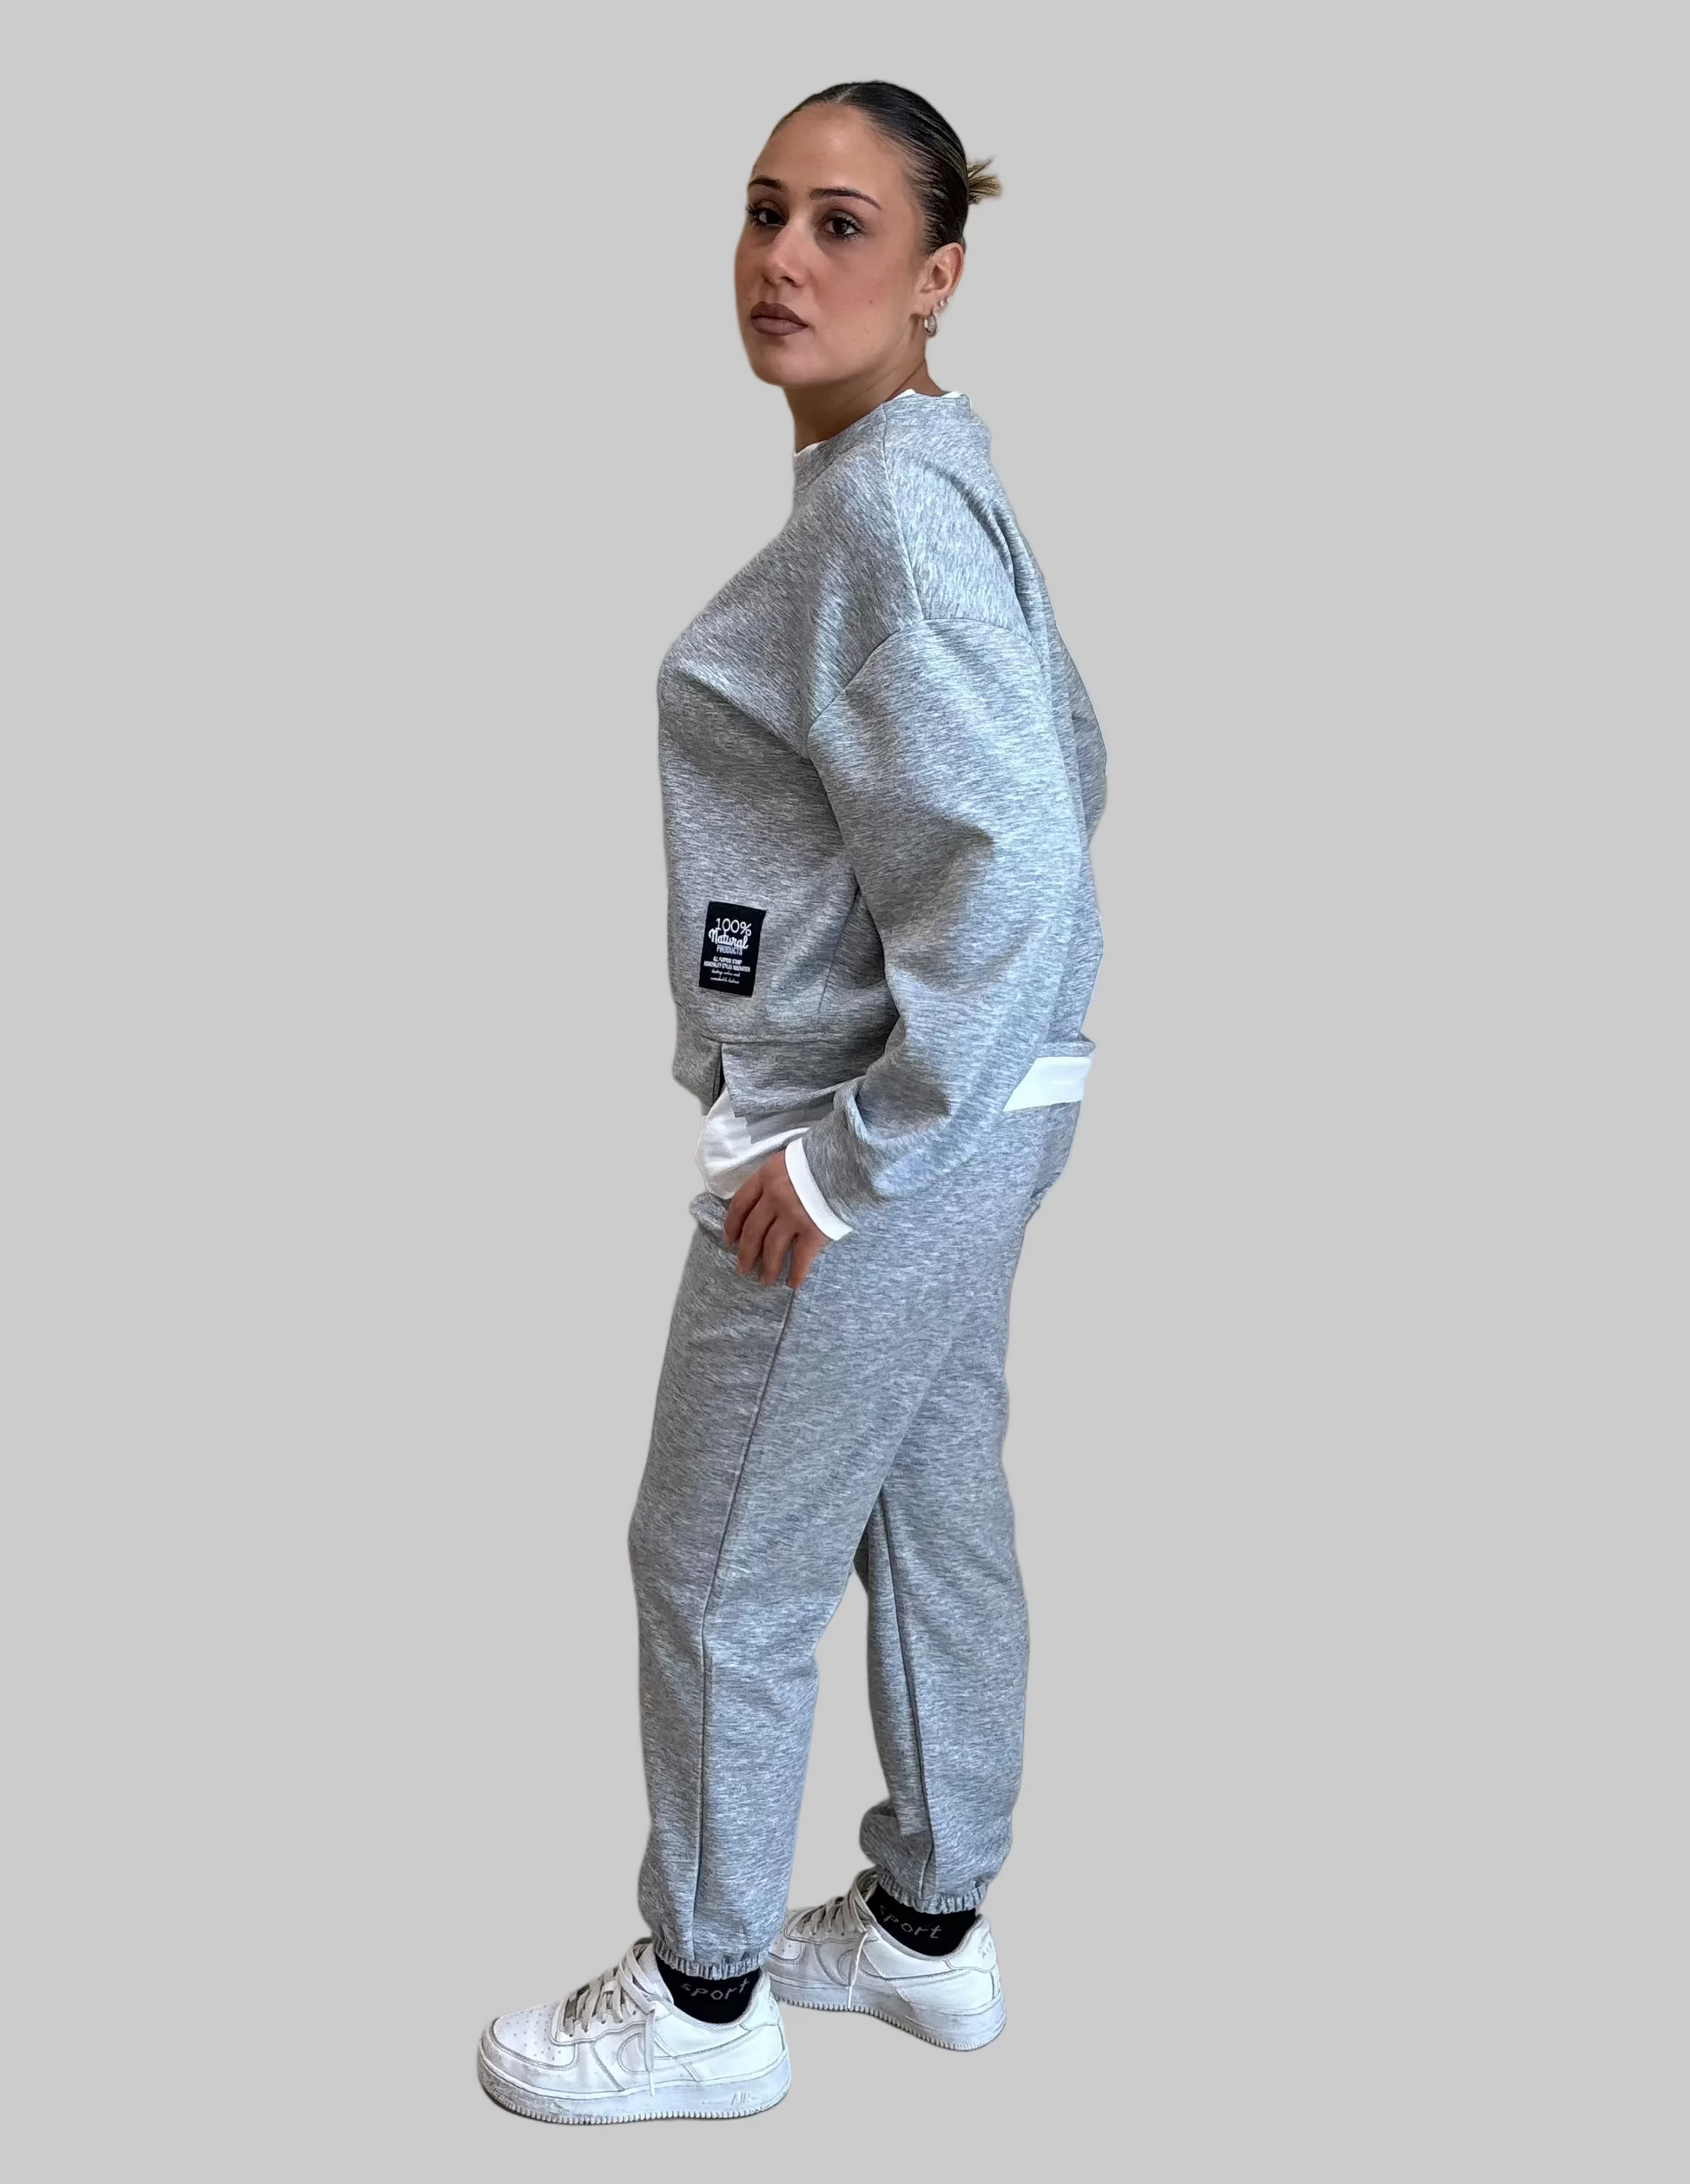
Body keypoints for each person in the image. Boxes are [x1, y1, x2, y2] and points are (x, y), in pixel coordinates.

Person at [478, 79, 1106, 2126]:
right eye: (762, 211)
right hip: (982, 1101)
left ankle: (702, 1997)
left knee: (715, 1559)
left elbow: (1020, 849)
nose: (780, 258)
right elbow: (1074, 763)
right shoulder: (931, 489)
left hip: (888, 1122)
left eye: (843, 225)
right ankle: (926, 1932)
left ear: (939, 277)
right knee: (929, 1517)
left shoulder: (886, 518)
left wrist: (847, 1153)